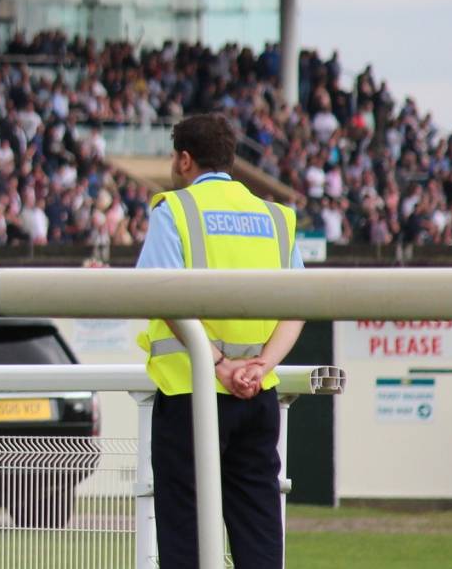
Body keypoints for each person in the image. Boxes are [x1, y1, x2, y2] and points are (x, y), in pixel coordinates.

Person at [135, 113, 303, 569]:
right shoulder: (277, 218)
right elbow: (298, 305)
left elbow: (160, 294)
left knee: (185, 533)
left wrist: (218, 365)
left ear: (185, 159)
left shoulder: (175, 210)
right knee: (258, 529)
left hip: (190, 392)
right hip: (257, 396)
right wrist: (262, 366)